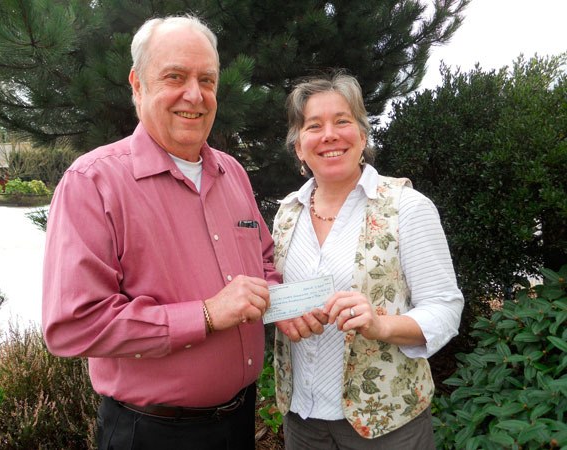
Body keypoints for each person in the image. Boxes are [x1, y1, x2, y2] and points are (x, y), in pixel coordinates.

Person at [42, 15, 281, 450]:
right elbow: (73, 326)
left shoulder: (233, 174)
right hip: (153, 433)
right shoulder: (92, 182)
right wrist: (205, 315)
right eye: (175, 76)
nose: (195, 94)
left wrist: (291, 302)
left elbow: (264, 264)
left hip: (239, 420)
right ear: (137, 84)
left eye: (207, 80)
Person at [271, 72, 464, 449]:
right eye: (314, 125)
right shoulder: (286, 214)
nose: (329, 135)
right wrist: (280, 307)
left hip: (386, 423)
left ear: (362, 135)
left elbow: (445, 307)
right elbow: (276, 289)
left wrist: (382, 325)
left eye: (342, 121)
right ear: (299, 147)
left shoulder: (406, 207)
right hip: (302, 420)